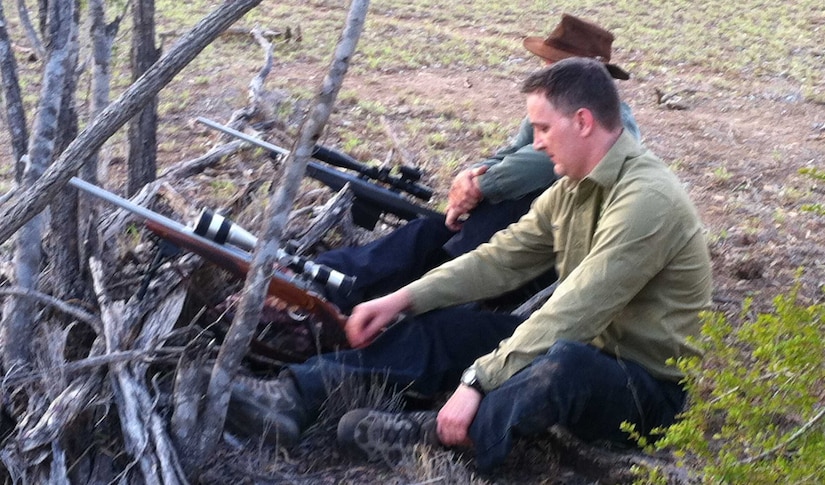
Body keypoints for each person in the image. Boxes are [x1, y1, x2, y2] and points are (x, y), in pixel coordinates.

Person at [227, 57, 713, 473]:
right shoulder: (571, 188)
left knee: (564, 365)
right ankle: (294, 395)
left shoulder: (647, 198)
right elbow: (499, 260)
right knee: (449, 328)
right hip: (580, 343)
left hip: (645, 390)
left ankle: (432, 439)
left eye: (543, 128)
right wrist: (404, 297)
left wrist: (479, 379)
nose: (538, 143)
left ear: (583, 121)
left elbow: (578, 308)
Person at [314, 14, 640, 311]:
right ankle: (327, 277)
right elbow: (511, 152)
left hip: (545, 244)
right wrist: (469, 177)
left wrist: (483, 185)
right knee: (427, 233)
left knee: (454, 255)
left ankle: (378, 307)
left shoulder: (612, 119)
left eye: (552, 64)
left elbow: (537, 161)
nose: (543, 69)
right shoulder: (555, 103)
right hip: (508, 227)